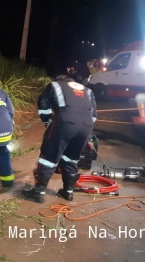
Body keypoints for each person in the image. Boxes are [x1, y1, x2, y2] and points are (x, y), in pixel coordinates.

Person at [22, 75, 97, 203]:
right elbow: (94, 114)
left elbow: (43, 105)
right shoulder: (87, 90)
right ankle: (68, 191)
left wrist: (48, 122)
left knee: (49, 157)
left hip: (64, 123)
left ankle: (38, 192)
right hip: (86, 126)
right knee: (72, 158)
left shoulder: (55, 85)